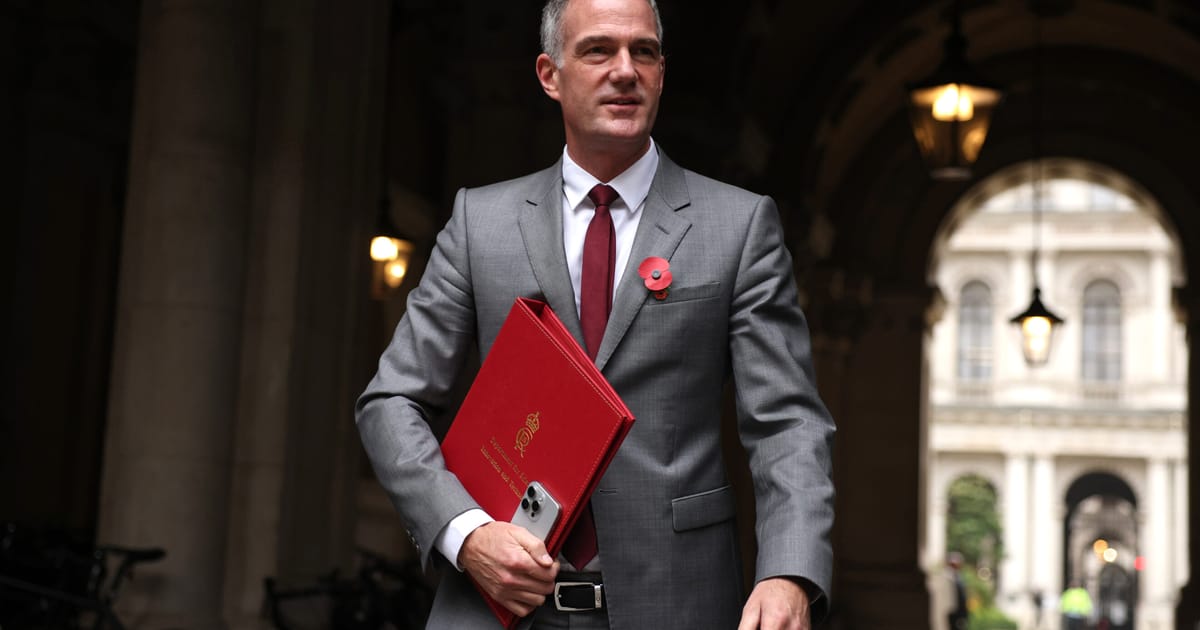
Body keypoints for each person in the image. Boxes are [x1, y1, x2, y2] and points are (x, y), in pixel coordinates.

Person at [355, 0, 836, 628]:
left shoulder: (739, 226)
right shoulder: (481, 223)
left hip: (676, 605)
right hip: (496, 607)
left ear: (662, 72)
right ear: (549, 75)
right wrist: (465, 533)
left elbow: (787, 424)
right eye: (598, 50)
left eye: (644, 52)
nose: (625, 70)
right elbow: (391, 401)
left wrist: (789, 572)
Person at [946, 552, 968, 630]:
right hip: (950, 612)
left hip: (959, 612)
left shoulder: (959, 578)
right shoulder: (946, 578)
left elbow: (962, 597)